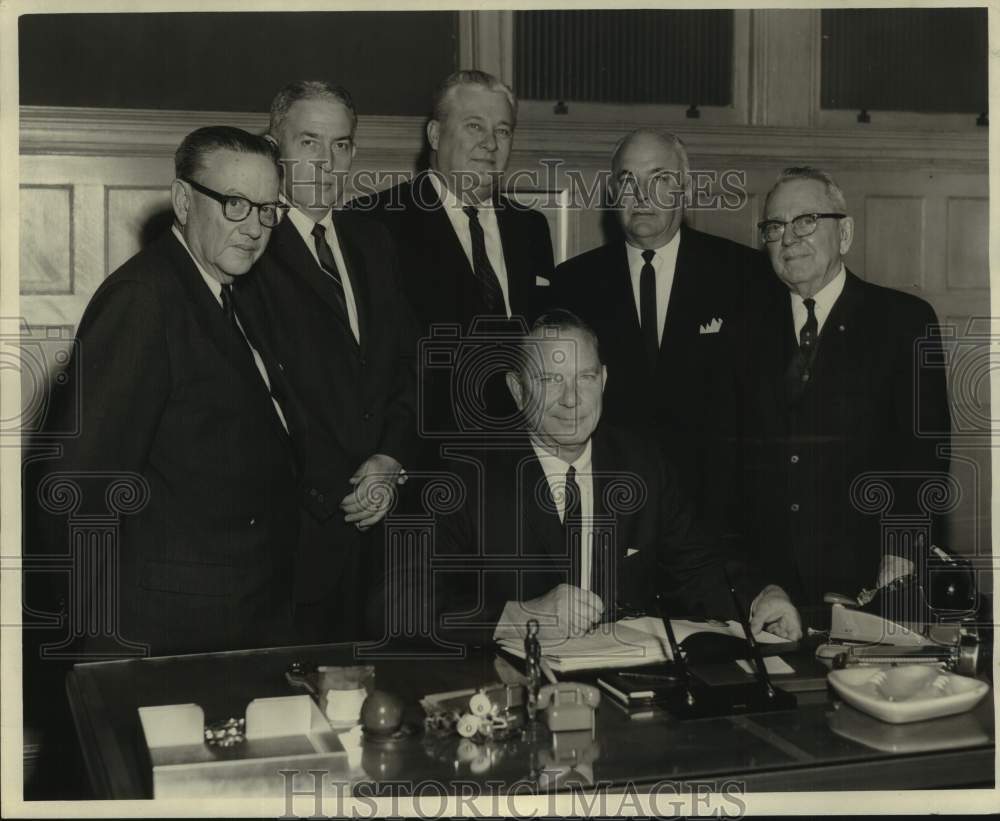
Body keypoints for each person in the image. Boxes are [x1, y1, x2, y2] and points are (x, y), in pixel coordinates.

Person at [31, 126, 299, 656]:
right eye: (235, 204)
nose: (255, 228)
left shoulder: (229, 290)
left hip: (235, 619)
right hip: (161, 636)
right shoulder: (144, 299)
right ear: (182, 201)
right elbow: (73, 490)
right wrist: (101, 646)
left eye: (268, 209)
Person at [423, 310, 801, 644]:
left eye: (585, 377)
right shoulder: (467, 477)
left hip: (624, 688)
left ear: (603, 380)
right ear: (518, 390)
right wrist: (517, 617)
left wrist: (760, 597)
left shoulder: (640, 464)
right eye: (551, 379)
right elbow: (396, 602)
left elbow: (698, 566)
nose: (572, 399)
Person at [236, 81, 418, 642]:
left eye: (340, 145)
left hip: (384, 537)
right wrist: (344, 490)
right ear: (274, 149)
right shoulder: (249, 247)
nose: (326, 160)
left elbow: (406, 368)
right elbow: (260, 397)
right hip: (297, 536)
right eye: (309, 142)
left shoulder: (374, 240)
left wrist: (391, 458)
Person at [734, 166, 952, 623]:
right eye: (775, 227)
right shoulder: (743, 328)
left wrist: (901, 557)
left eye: (806, 221)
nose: (788, 238)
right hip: (774, 591)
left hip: (875, 581)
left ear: (845, 232)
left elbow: (924, 457)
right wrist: (754, 583)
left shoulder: (903, 321)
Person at [550, 128, 771, 515]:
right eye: (628, 181)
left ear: (684, 191)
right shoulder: (572, 284)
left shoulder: (745, 274)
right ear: (614, 195)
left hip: (719, 515)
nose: (642, 195)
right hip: (613, 510)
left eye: (660, 179)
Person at [353, 70, 554, 437]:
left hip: (520, 450)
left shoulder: (531, 227)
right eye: (474, 126)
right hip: (425, 453)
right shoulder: (375, 223)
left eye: (503, 130)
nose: (491, 144)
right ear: (434, 134)